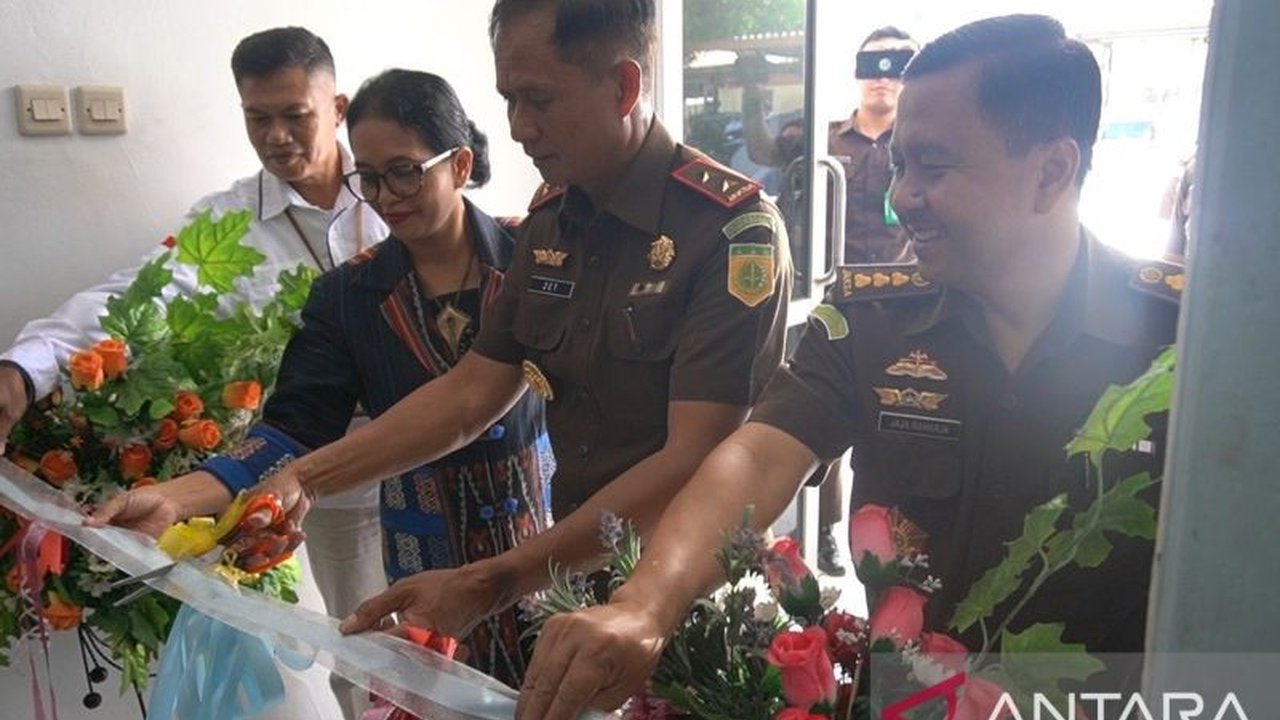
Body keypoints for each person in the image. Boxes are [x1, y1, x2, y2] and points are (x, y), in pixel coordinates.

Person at [92, 0, 790, 680]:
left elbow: (698, 455)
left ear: (624, 84)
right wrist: (281, 481)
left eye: (538, 99)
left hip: (685, 591)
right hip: (566, 570)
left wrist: (499, 578)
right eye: (508, 100)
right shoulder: (551, 223)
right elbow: (469, 394)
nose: (518, 128)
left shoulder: (728, 231)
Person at [514, 14, 1184, 719]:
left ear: (1052, 170)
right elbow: (758, 457)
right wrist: (645, 604)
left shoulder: (1181, 348)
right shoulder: (871, 321)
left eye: (934, 166)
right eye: (898, 164)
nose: (901, 197)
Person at [91, 68, 553, 687]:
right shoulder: (348, 296)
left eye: (406, 170)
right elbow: (292, 433)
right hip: (423, 544)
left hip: (537, 527)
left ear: (460, 165)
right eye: (368, 176)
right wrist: (175, 499)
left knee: (552, 683)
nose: (387, 196)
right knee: (437, 693)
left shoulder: (536, 259)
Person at [1, 26, 389, 718]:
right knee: (334, 664)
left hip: (421, 460)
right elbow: (126, 298)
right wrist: (25, 368)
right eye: (256, 117)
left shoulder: (397, 190)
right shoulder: (227, 224)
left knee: (435, 657)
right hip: (304, 486)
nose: (276, 136)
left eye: (295, 114)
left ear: (339, 108)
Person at [740, 27, 920, 575]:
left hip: (901, 311)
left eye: (897, 65)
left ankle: (891, 554)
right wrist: (751, 87)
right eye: (873, 64)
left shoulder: (916, 145)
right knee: (823, 434)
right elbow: (762, 149)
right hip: (831, 303)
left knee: (896, 432)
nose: (883, 77)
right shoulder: (827, 139)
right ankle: (825, 535)